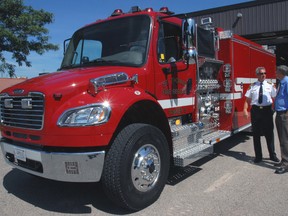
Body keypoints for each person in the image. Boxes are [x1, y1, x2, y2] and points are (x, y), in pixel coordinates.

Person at [243, 66, 279, 163]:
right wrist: (245, 109)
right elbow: (247, 99)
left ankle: (272, 155)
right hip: (256, 111)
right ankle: (258, 156)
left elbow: (275, 97)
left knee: (269, 134)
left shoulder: (270, 85)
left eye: (264, 73)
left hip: (267, 111)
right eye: (261, 73)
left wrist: (275, 109)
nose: (263, 75)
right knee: (256, 134)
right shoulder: (252, 86)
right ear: (257, 75)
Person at [274, 65, 288, 174]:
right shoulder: (282, 82)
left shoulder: (286, 82)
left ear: (282, 73)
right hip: (279, 113)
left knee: (284, 140)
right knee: (281, 138)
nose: (275, 73)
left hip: (284, 114)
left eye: (277, 72)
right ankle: (284, 160)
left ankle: (286, 164)